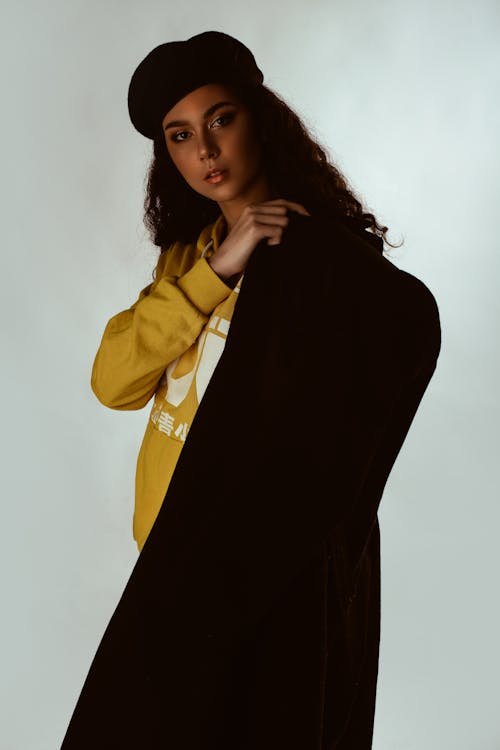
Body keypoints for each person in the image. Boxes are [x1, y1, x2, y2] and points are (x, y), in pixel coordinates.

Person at [61, 30, 441, 749]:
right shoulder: (191, 258)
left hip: (255, 583)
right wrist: (218, 270)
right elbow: (113, 382)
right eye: (180, 135)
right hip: (175, 569)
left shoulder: (315, 262)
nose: (204, 150)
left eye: (220, 119)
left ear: (259, 119)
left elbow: (386, 358)